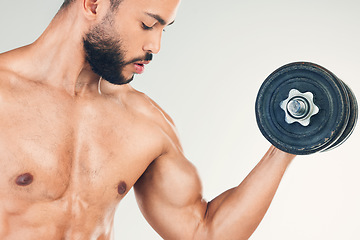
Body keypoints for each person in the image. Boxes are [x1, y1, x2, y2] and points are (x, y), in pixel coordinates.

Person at [0, 0, 295, 239]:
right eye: (147, 25)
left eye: (163, 30)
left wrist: (286, 144)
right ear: (93, 5)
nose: (155, 45)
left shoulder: (144, 122)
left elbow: (203, 233)